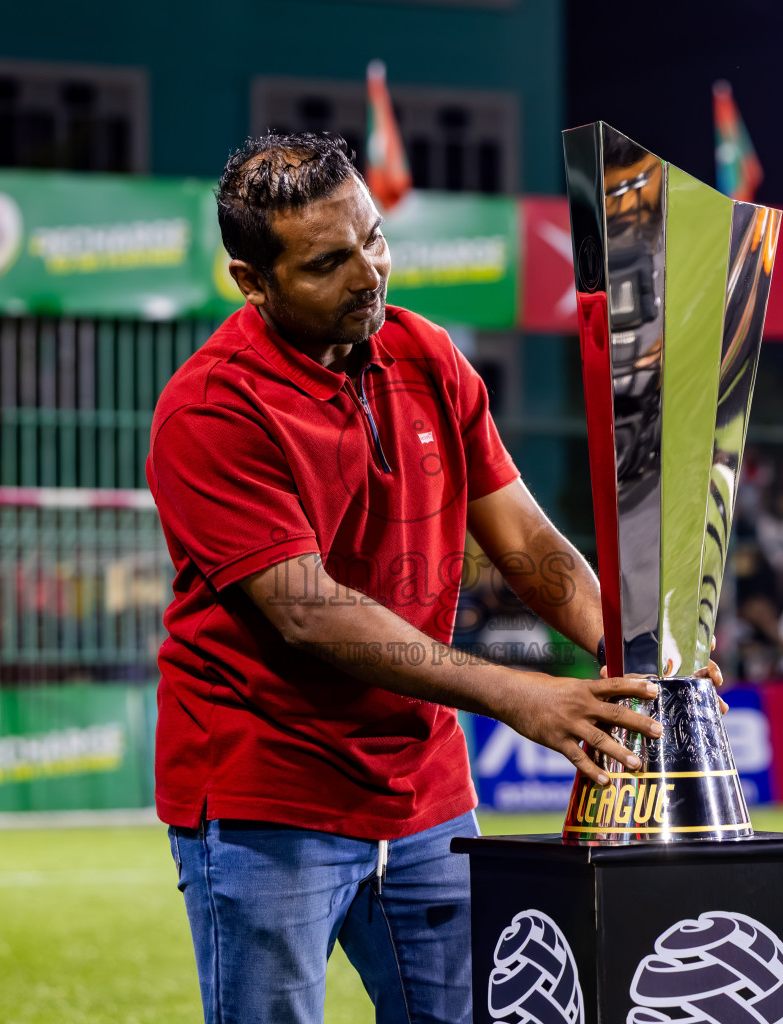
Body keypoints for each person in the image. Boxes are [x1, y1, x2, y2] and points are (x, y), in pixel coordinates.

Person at [146, 133, 720, 1023]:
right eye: (328, 262)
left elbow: (526, 540)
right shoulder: (212, 407)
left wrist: (645, 650)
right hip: (271, 790)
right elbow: (308, 613)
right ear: (251, 281)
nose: (369, 273)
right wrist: (515, 695)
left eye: (373, 238)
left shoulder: (426, 353)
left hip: (425, 792)